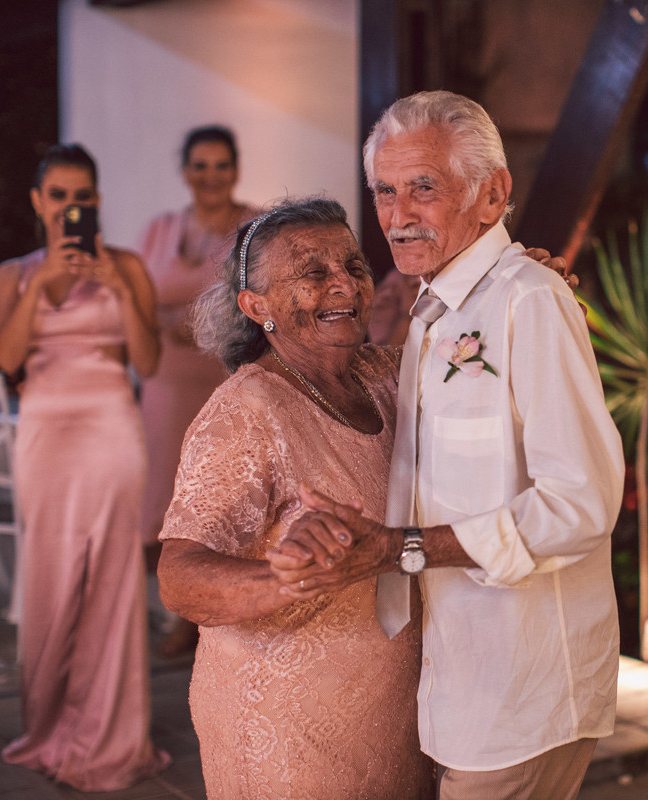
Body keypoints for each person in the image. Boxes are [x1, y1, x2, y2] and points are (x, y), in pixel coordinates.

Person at [277, 90, 625, 800]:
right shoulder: (434, 309)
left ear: (491, 195)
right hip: (461, 680)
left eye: (424, 188)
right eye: (385, 191)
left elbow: (581, 503)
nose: (398, 215)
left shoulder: (530, 299)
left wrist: (402, 548)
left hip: (524, 689)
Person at [155, 198, 434, 798]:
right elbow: (178, 577)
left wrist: (530, 294)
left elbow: (485, 364)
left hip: (390, 707)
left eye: (354, 265)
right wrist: (290, 578)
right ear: (256, 307)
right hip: (286, 725)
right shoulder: (246, 411)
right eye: (313, 272)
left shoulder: (384, 375)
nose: (345, 285)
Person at [0, 143, 169, 790]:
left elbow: (147, 362)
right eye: (59, 196)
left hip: (111, 429)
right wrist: (41, 281)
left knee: (112, 576)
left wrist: (117, 287)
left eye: (82, 196)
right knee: (51, 574)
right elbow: (8, 360)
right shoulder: (12, 275)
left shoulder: (127, 265)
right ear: (39, 203)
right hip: (45, 434)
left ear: (97, 201)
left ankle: (109, 736)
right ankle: (48, 726)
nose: (71, 206)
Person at [137, 124, 259, 656]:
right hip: (165, 386)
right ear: (185, 171)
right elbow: (134, 296)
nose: (211, 176)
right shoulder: (159, 229)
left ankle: (214, 619)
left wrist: (208, 324)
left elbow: (263, 293)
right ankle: (180, 608)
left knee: (220, 497)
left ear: (236, 169)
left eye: (221, 165)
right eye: (200, 165)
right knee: (162, 502)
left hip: (228, 378)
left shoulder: (256, 226)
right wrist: (167, 322)